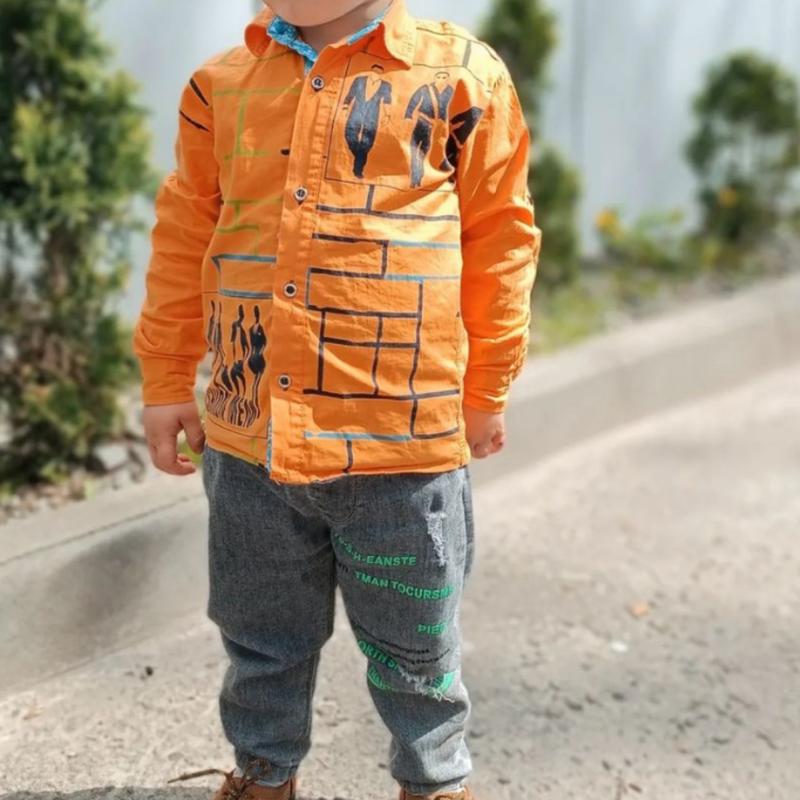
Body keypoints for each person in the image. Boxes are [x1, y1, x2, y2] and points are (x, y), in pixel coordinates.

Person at [133, 0, 542, 798]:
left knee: (417, 649)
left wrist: (488, 383)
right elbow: (185, 233)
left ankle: (433, 780)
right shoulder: (221, 86)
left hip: (403, 445)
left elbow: (500, 234)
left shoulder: (463, 77)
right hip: (253, 445)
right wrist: (166, 376)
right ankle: (264, 772)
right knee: (260, 639)